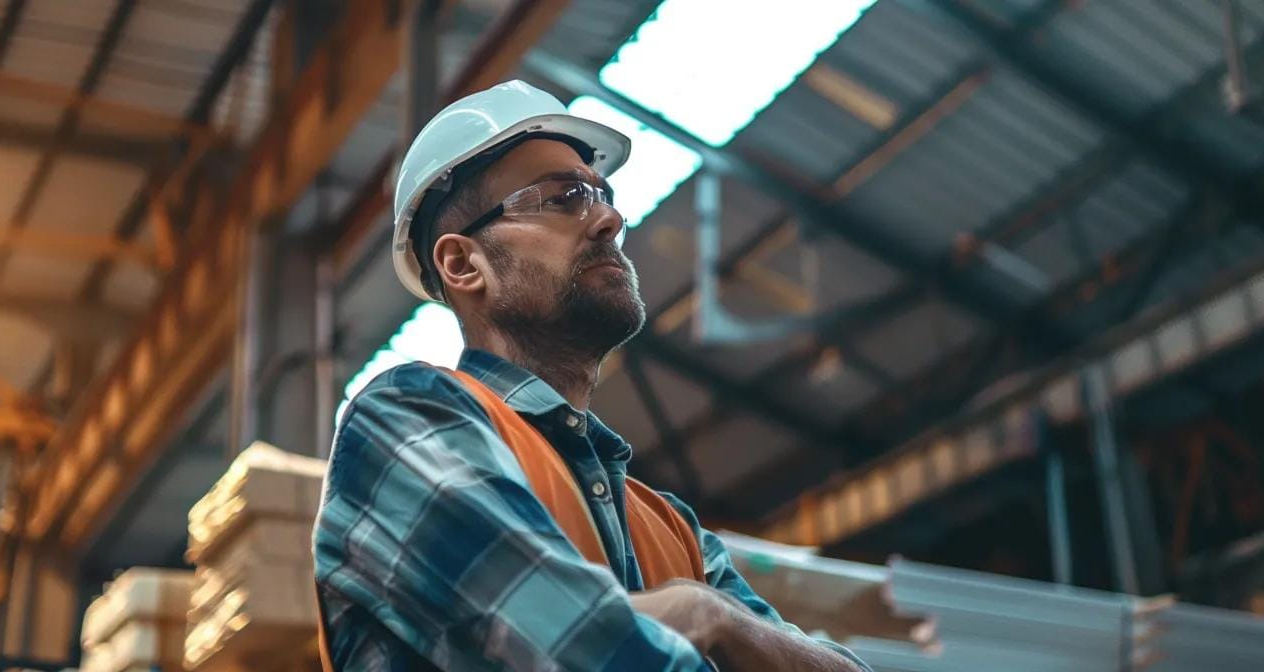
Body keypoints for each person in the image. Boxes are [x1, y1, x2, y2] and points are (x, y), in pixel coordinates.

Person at [313, 80, 870, 671]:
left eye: (602, 194)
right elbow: (593, 655)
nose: (609, 218)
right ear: (462, 263)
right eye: (563, 198)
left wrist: (710, 613)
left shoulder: (669, 527)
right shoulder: (406, 418)